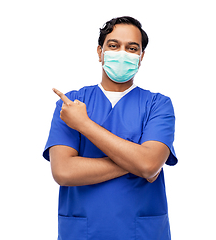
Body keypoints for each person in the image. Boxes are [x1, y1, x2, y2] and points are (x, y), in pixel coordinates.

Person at [43, 16, 177, 240]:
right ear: (100, 52)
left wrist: (83, 124)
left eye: (132, 48)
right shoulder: (71, 104)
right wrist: (138, 162)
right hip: (83, 232)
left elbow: (149, 164)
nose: (122, 53)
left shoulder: (158, 104)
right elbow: (64, 171)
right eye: (113, 46)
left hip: (141, 233)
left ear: (141, 57)